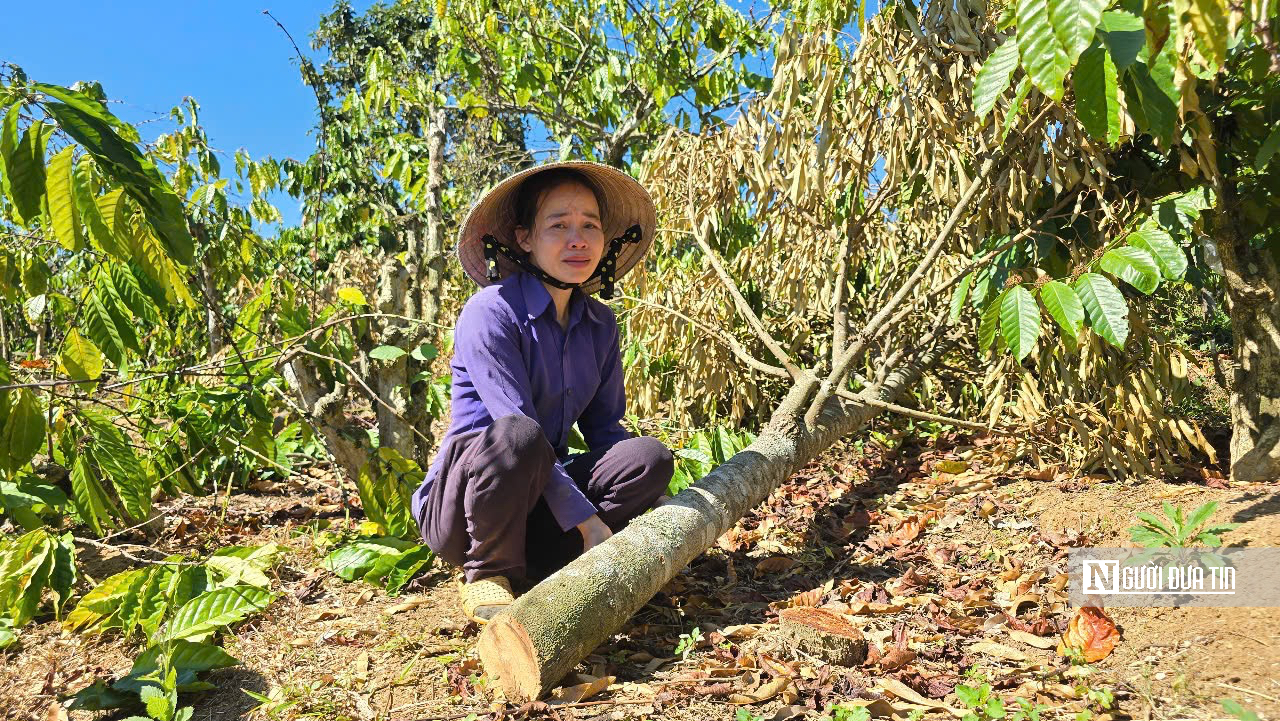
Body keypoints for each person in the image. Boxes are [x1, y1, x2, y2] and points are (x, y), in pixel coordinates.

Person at [411, 162, 674, 623]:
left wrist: (654, 500)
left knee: (649, 457)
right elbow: (513, 428)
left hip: (539, 505)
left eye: (590, 226)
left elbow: (605, 431)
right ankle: (488, 572)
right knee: (520, 434)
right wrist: (589, 519)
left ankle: (543, 560)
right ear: (525, 239)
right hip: (465, 508)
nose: (578, 239)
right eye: (559, 225)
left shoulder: (599, 325)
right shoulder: (490, 312)